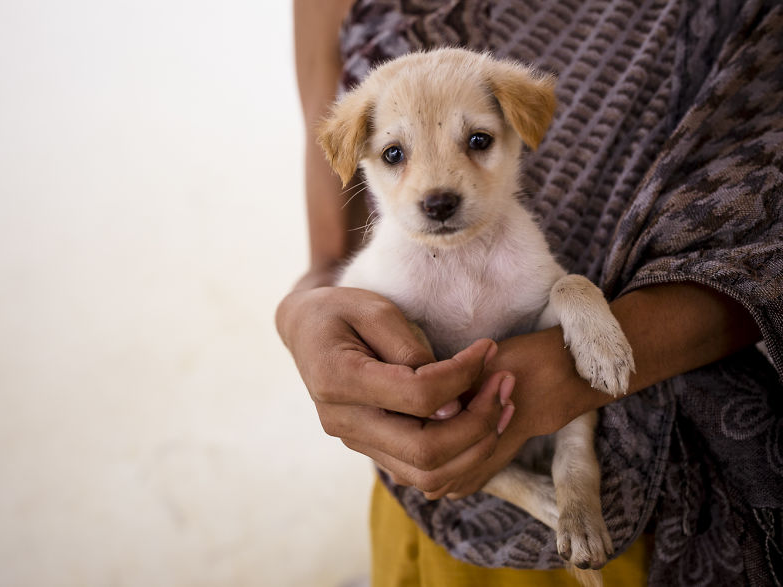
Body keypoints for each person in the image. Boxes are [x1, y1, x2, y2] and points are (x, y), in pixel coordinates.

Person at [277, 1, 783, 585]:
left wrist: (570, 345)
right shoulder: (383, 250)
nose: (437, 187)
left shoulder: (520, 240)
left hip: (672, 485)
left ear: (519, 129)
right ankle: (538, 498)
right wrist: (299, 318)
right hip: (436, 506)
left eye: (476, 141)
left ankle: (570, 492)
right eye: (395, 154)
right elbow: (327, 265)